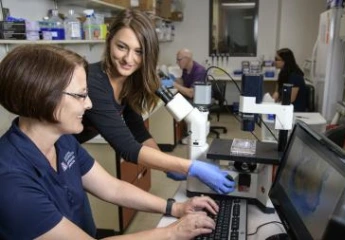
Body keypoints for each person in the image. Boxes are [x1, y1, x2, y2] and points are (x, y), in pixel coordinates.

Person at [0, 44, 219, 239]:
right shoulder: (10, 181)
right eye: (81, 95)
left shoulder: (63, 141)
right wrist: (172, 232)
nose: (89, 104)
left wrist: (176, 208)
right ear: (44, 97)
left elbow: (112, 188)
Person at [75, 9, 234, 192]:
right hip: (44, 151)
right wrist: (190, 167)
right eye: (121, 47)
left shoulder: (128, 83)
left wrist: (167, 165)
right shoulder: (93, 82)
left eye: (139, 51)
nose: (129, 59)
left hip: (67, 151)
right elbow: (128, 148)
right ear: (109, 40)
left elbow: (138, 132)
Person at [272, 48, 307, 112]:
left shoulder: (296, 76)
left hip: (295, 109)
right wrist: (271, 101)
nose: (275, 62)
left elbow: (290, 99)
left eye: (277, 59)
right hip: (285, 106)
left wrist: (277, 105)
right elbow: (277, 91)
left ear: (285, 61)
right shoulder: (282, 73)